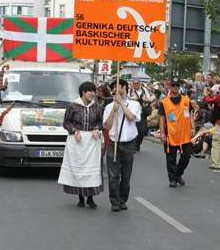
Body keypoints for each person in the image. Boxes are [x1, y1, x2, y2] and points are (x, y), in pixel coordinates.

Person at [57, 81, 103, 209]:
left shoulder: (96, 107)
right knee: (79, 169)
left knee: (91, 169)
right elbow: (66, 123)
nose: (93, 94)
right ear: (83, 92)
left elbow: (100, 122)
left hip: (92, 140)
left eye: (94, 91)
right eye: (91, 91)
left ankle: (91, 198)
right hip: (78, 139)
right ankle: (81, 198)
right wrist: (74, 131)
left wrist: (96, 129)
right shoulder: (73, 106)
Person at [103, 79, 141, 212]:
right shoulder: (109, 107)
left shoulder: (134, 104)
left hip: (129, 143)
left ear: (124, 87)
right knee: (113, 175)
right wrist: (114, 111)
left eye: (117, 86)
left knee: (126, 174)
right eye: (113, 87)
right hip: (114, 143)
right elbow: (107, 126)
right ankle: (114, 201)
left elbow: (131, 117)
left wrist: (122, 104)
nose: (114, 89)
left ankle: (123, 199)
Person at [159, 78, 195, 187]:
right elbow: (162, 118)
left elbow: (190, 114)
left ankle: (179, 173)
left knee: (186, 155)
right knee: (171, 158)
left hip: (184, 133)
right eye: (173, 85)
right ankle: (172, 178)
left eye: (177, 85)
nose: (175, 87)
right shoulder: (164, 102)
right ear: (170, 87)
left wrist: (193, 127)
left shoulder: (186, 100)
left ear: (180, 86)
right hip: (171, 133)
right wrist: (162, 133)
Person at [129, 79, 151, 152]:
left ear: (140, 84)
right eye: (134, 83)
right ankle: (133, 146)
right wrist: (133, 99)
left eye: (137, 83)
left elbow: (149, 100)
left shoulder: (144, 91)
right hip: (133, 113)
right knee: (133, 129)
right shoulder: (130, 91)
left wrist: (142, 99)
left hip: (142, 113)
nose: (136, 84)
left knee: (142, 131)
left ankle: (138, 144)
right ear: (132, 84)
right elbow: (126, 99)